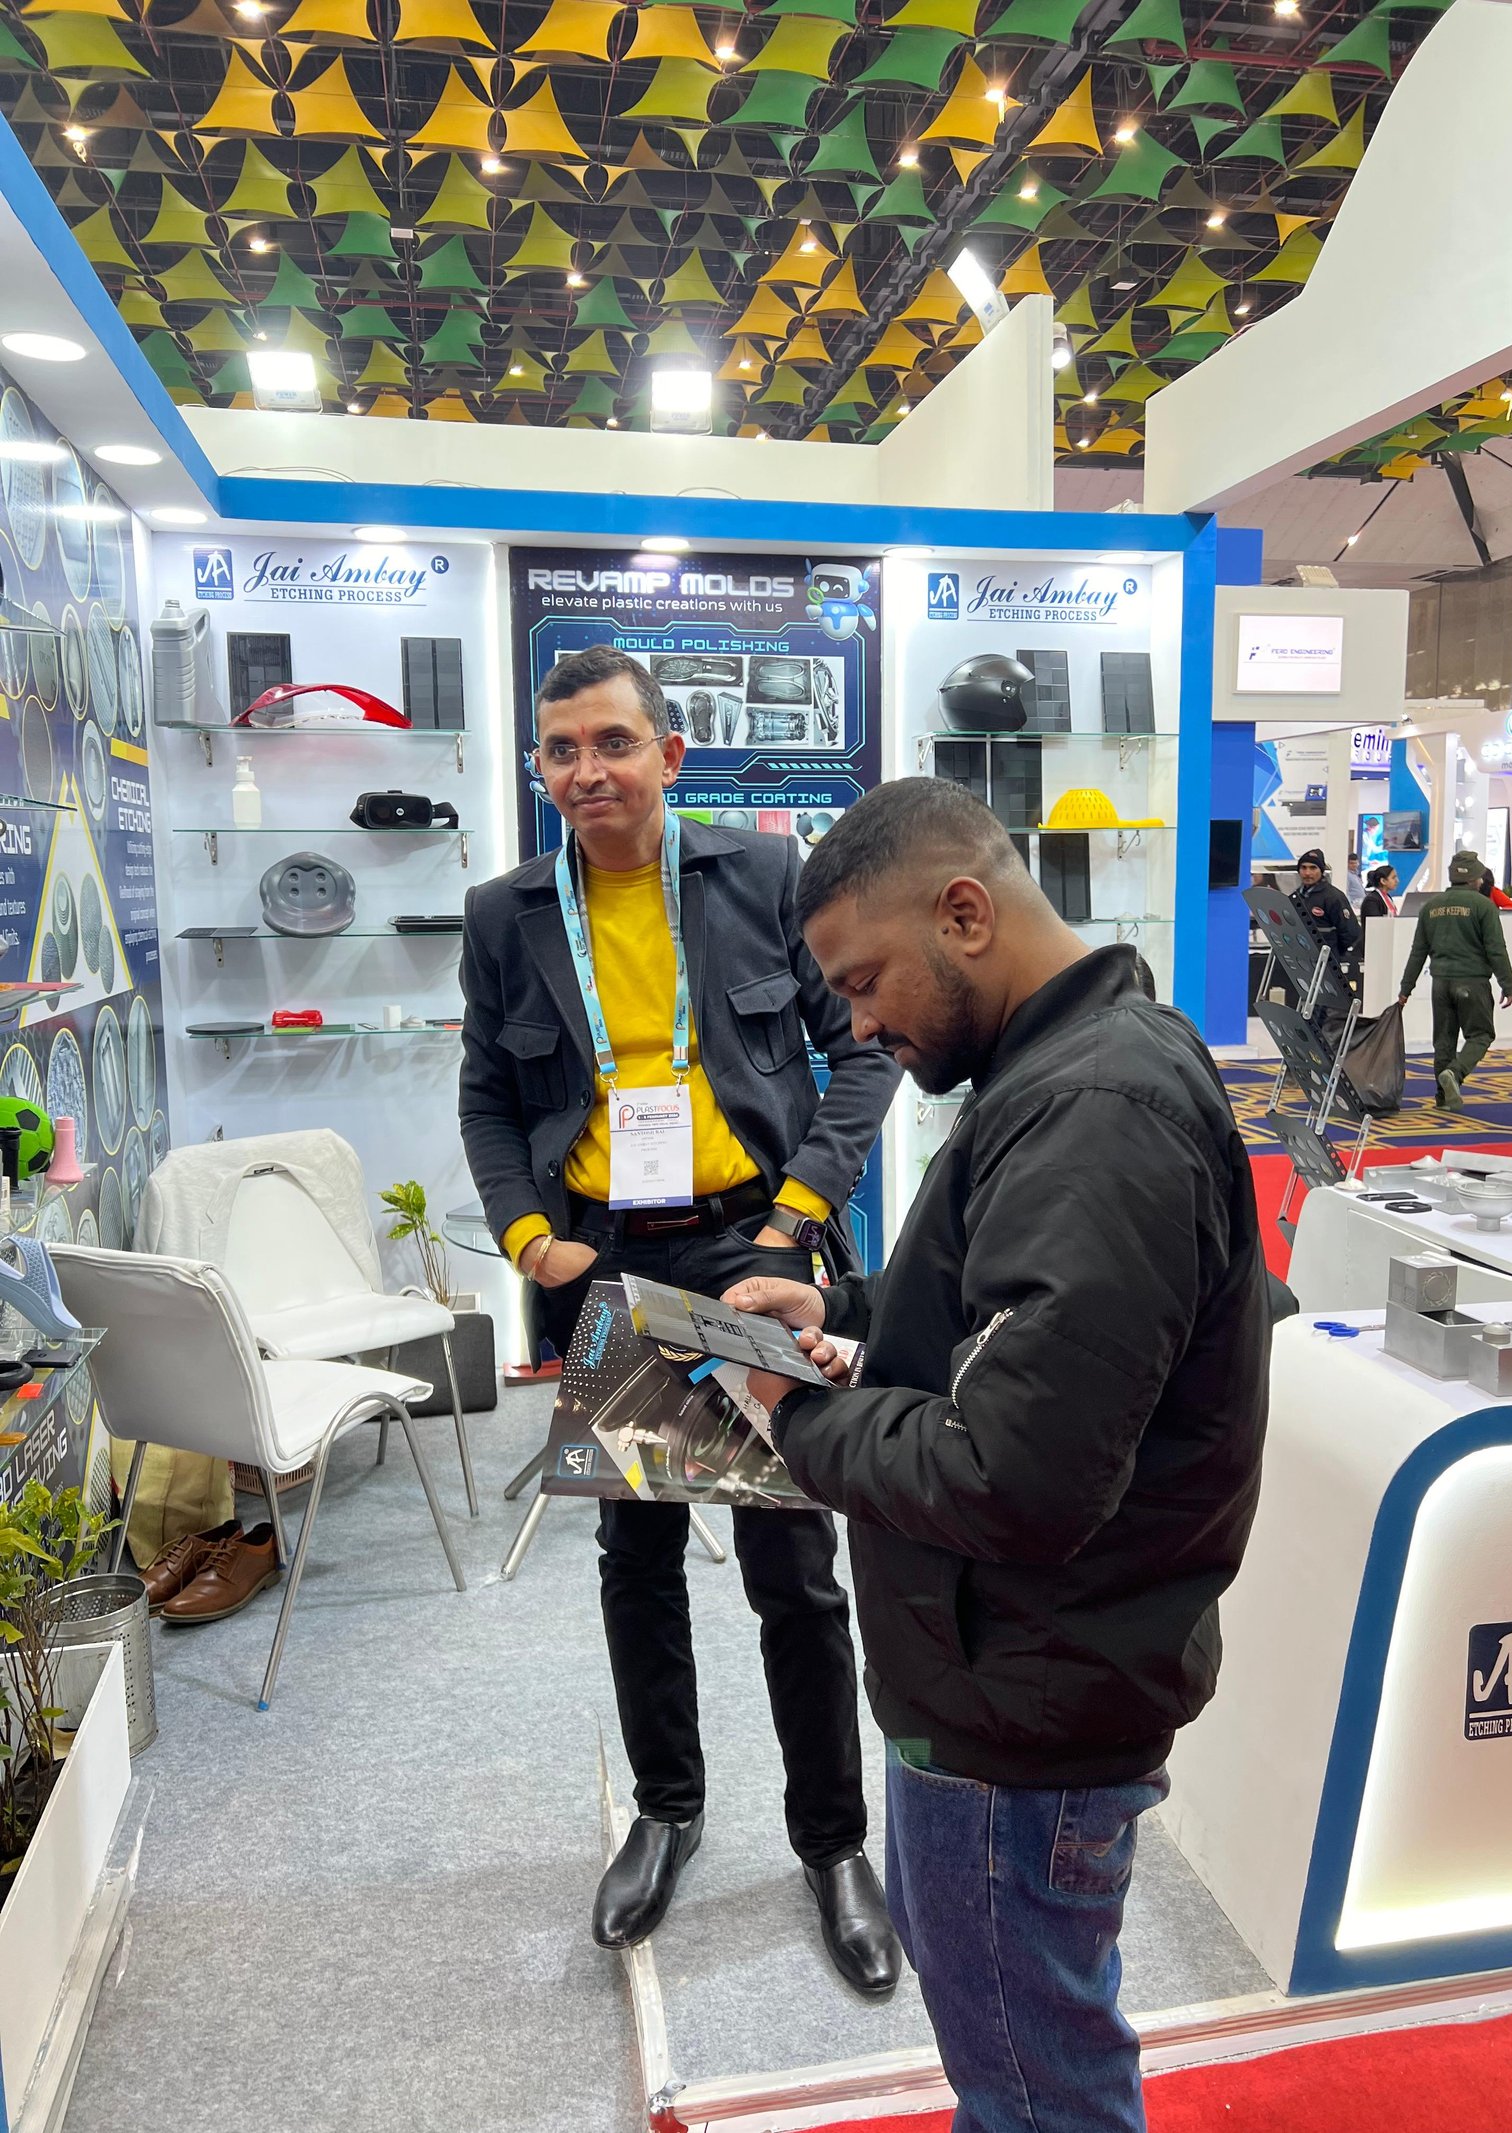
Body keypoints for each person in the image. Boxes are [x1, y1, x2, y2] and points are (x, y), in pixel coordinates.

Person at [726, 778, 1270, 2133]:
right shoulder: (1066, 1071)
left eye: (864, 981)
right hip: (1009, 1669)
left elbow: (1011, 1473)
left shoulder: (1098, 1108)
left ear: (964, 913)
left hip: (1023, 1693)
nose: (858, 1025)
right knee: (1018, 2051)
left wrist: (793, 1415)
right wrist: (842, 1312)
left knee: (1034, 2087)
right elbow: (1004, 1310)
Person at [458, 646, 903, 1993]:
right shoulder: (505, 915)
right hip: (607, 1257)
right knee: (636, 1555)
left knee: (792, 1562)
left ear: (670, 755)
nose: (585, 770)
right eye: (561, 750)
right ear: (540, 768)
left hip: (749, 1248)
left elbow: (863, 1049)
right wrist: (529, 1239)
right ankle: (667, 1811)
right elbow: (487, 1095)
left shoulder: (762, 877)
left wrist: (796, 1219)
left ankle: (833, 1843)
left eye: (612, 742)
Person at [1397, 847, 1512, 1110]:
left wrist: (1406, 988)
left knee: (1443, 1041)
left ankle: (1442, 1097)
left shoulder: (1431, 907)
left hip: (1440, 983)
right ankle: (1455, 1073)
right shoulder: (1484, 906)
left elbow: (1418, 952)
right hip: (1472, 981)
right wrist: (1507, 984)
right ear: (1476, 878)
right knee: (1481, 1034)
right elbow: (1496, 949)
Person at [1291, 848, 1362, 969]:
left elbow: (1351, 932)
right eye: (1303, 868)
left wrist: (1334, 950)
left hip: (1326, 963)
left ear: (1321, 870)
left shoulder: (1333, 897)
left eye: (1313, 868)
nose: (1307, 873)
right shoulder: (1296, 896)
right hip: (1301, 961)